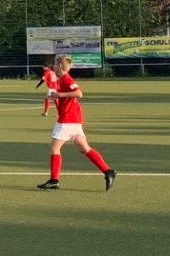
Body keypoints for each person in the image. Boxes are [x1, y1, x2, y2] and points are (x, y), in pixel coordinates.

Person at [38, 55, 115, 191]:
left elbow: (79, 93)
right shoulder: (61, 80)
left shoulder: (67, 79)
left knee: (54, 148)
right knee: (84, 149)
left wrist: (59, 95)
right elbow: (66, 98)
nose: (53, 67)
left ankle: (54, 180)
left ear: (60, 66)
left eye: (55, 64)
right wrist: (55, 96)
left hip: (67, 120)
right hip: (74, 119)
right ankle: (108, 171)